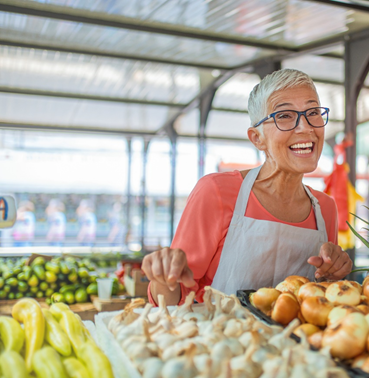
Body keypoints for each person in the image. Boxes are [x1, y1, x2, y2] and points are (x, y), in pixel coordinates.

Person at [142, 69, 353, 305]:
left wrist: (334, 275)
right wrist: (162, 275)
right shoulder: (216, 192)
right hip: (219, 338)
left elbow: (321, 302)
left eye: (313, 112)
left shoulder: (325, 209)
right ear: (257, 138)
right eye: (284, 116)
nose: (305, 127)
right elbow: (169, 303)